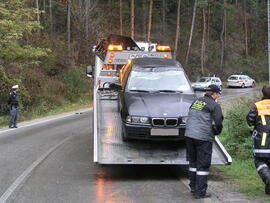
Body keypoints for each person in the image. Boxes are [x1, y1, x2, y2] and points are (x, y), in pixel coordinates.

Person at [185, 84, 223, 199]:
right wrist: (216, 132)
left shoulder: (196, 102)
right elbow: (217, 123)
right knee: (203, 165)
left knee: (193, 162)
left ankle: (193, 187)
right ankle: (200, 192)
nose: (219, 96)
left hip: (189, 135)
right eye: (218, 94)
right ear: (215, 94)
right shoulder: (214, 105)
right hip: (202, 138)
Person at [246, 85, 270, 195]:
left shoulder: (258, 106)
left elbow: (249, 121)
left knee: (260, 162)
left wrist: (252, 132)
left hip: (262, 142)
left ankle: (268, 178)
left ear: (263, 93)